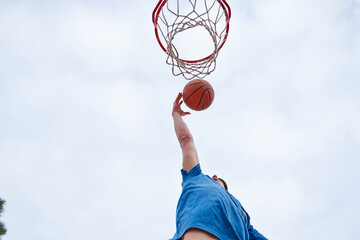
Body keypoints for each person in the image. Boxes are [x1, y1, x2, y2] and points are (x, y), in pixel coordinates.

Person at [171, 93, 267, 240]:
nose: (215, 177)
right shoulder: (195, 177)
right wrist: (176, 114)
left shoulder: (243, 216)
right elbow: (186, 140)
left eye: (219, 180)